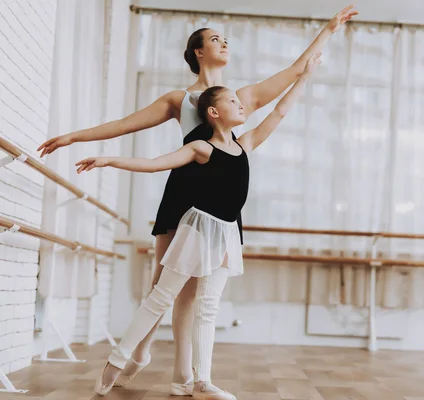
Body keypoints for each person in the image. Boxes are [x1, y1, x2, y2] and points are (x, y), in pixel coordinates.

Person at [36, 5, 357, 396]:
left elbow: (296, 72)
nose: (224, 43)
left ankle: (183, 376)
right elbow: (123, 124)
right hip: (183, 191)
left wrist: (328, 29)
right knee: (163, 285)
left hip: (219, 202)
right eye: (215, 39)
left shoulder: (239, 99)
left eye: (226, 39)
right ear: (198, 52)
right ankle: (141, 352)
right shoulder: (180, 99)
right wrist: (73, 137)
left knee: (196, 294)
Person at [78, 51, 321, 398]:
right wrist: (109, 159)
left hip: (227, 232)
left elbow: (280, 111)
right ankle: (115, 362)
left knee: (208, 307)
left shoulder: (246, 143)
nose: (241, 104)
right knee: (161, 297)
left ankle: (202, 380)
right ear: (213, 112)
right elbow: (155, 163)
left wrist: (306, 76)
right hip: (196, 230)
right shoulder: (200, 148)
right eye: (233, 101)